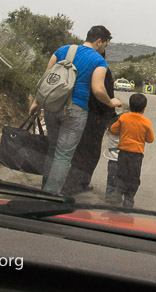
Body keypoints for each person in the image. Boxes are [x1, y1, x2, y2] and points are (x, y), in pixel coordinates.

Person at [29, 25, 123, 196]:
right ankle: (51, 194)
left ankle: (45, 187)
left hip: (52, 106)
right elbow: (98, 90)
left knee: (52, 148)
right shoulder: (98, 61)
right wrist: (111, 102)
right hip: (75, 110)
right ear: (99, 41)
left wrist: (36, 102)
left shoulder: (62, 50)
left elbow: (46, 80)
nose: (104, 49)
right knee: (63, 155)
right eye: (105, 45)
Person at [61, 42, 118, 196]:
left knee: (67, 148)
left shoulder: (77, 64)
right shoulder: (102, 69)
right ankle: (79, 183)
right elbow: (106, 94)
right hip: (94, 117)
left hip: (69, 109)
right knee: (89, 152)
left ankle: (60, 182)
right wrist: (111, 116)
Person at [109, 93, 155, 208]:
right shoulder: (146, 122)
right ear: (144, 109)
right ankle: (129, 199)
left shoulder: (124, 117)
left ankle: (117, 193)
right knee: (134, 177)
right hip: (137, 155)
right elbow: (150, 139)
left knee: (120, 174)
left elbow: (113, 130)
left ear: (129, 107)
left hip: (123, 153)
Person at [103, 114, 122, 203]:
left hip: (111, 159)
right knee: (121, 179)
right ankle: (117, 195)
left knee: (110, 178)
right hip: (122, 159)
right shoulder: (124, 134)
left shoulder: (110, 131)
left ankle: (108, 195)